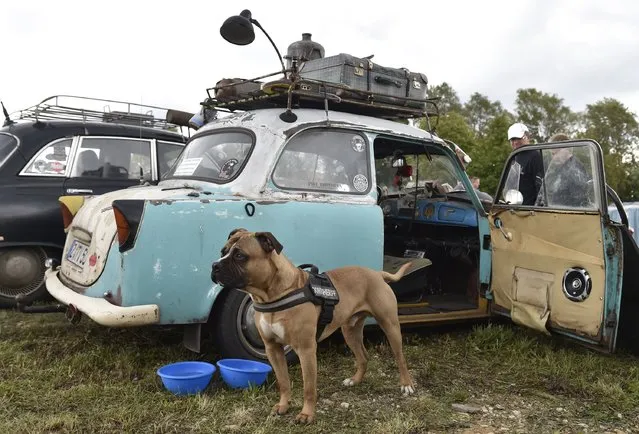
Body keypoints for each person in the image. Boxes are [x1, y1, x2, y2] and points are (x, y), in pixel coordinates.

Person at [540, 133, 593, 207]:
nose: (554, 158)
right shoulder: (563, 168)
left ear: (566, 150)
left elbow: (578, 201)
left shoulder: (575, 169)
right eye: (552, 154)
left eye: (556, 153)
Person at [504, 123, 544, 205]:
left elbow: (540, 186)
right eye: (512, 140)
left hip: (529, 209)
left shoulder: (535, 155)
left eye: (518, 139)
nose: (515, 142)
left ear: (527, 137)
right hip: (513, 206)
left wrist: (537, 207)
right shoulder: (513, 156)